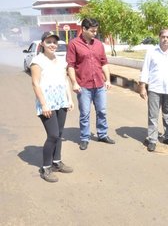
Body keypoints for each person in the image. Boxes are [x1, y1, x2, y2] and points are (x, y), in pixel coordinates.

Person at [30, 31, 74, 182]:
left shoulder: (61, 61)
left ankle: (56, 162)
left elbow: (65, 80)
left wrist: (70, 99)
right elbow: (35, 83)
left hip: (61, 101)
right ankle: (46, 167)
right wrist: (43, 104)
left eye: (54, 42)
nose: (52, 45)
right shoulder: (37, 61)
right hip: (47, 103)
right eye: (48, 42)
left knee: (60, 134)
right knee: (53, 135)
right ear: (42, 44)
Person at [66, 18, 115, 150]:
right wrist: (74, 83)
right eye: (92, 31)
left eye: (96, 31)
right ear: (84, 29)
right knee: (85, 114)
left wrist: (108, 80)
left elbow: (104, 63)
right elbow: (70, 65)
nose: (95, 33)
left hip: (99, 84)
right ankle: (84, 137)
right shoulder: (73, 44)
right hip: (83, 86)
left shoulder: (99, 44)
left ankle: (102, 134)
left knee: (102, 111)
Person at [139, 28, 168, 152]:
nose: (165, 39)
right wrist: (142, 86)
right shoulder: (152, 52)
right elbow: (145, 70)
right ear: (159, 37)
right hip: (154, 88)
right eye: (163, 37)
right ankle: (152, 140)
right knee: (153, 115)